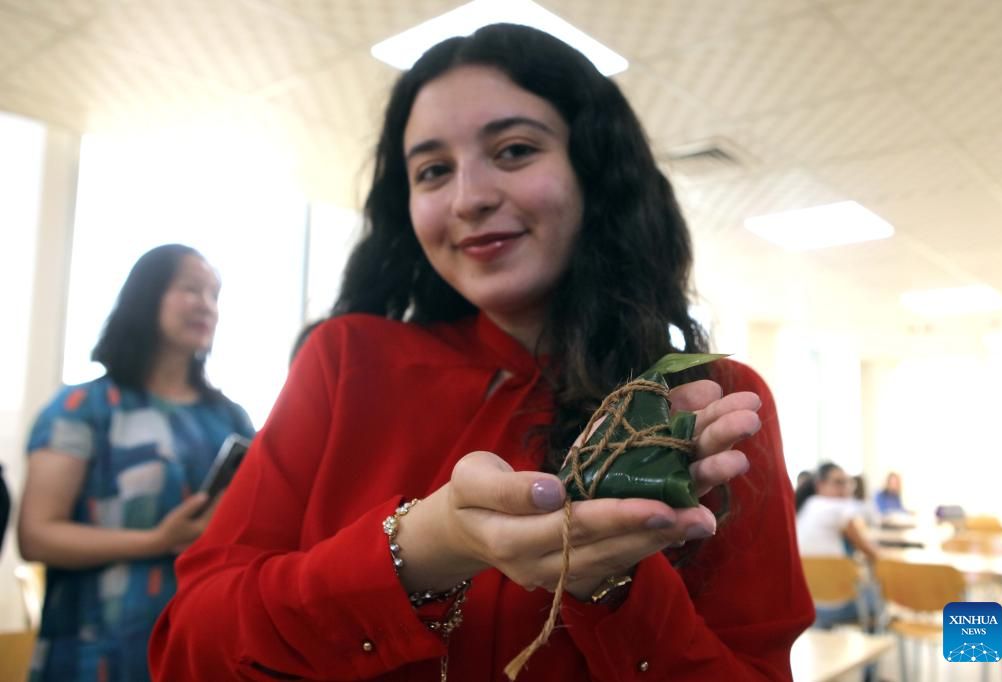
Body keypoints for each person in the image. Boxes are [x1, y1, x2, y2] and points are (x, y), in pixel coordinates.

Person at [150, 24, 814, 681]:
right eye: (433, 171)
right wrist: (420, 549)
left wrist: (612, 588)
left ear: (594, 169)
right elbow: (189, 646)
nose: (468, 198)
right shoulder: (345, 360)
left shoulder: (709, 406)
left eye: (515, 150)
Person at [18, 244, 254, 681]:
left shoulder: (230, 418)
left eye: (214, 294)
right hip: (97, 653)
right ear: (146, 296)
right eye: (191, 288)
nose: (207, 305)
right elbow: (36, 537)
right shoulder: (81, 407)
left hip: (202, 649)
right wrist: (158, 540)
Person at [794, 463, 880, 630]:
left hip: (807, 602)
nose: (845, 489)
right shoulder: (838, 508)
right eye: (838, 483)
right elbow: (870, 551)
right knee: (878, 599)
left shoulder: (806, 505)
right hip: (837, 604)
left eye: (847, 483)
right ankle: (874, 653)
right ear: (820, 485)